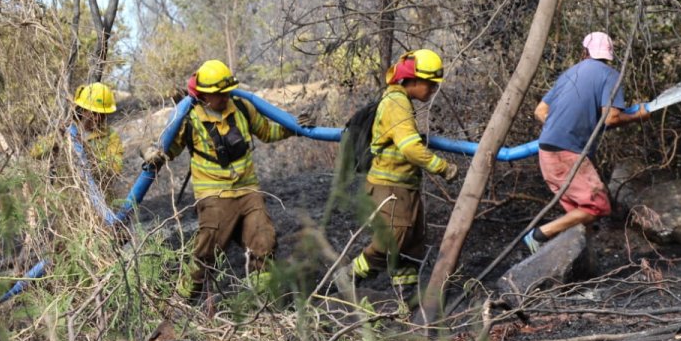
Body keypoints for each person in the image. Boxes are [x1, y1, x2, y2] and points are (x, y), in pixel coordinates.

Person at [142, 59, 313, 301]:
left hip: (248, 190)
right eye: (218, 94)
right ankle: (179, 304)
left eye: (227, 92)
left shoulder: (242, 108)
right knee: (206, 255)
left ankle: (262, 303)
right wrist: (151, 154)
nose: (225, 98)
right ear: (203, 94)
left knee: (264, 242)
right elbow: (164, 148)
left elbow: (267, 132)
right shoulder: (189, 118)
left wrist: (294, 127)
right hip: (214, 195)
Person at [342, 49, 459, 300]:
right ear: (413, 80)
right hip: (390, 187)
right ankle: (347, 277)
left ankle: (405, 300)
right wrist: (443, 167)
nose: (432, 90)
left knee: (411, 245)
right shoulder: (396, 103)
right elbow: (410, 148)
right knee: (392, 241)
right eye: (430, 84)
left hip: (405, 186)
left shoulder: (402, 102)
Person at [523, 32, 650, 254]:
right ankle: (538, 234)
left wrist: (562, 127)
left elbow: (540, 111)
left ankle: (581, 265)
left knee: (581, 216)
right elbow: (610, 117)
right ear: (609, 56)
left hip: (547, 152)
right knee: (599, 207)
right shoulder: (610, 76)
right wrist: (639, 115)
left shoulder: (569, 73)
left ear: (584, 52)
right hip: (567, 154)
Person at [32, 82, 124, 202]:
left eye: (102, 114)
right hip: (68, 200)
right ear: (83, 110)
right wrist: (56, 138)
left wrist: (89, 155)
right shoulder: (66, 130)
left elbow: (115, 169)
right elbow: (35, 153)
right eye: (94, 113)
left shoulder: (111, 136)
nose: (97, 118)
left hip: (100, 200)